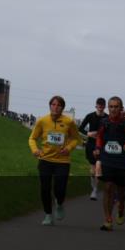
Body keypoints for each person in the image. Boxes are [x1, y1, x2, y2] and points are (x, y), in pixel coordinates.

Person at [28, 96, 80, 226]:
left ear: (62, 108)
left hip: (62, 161)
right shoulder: (42, 121)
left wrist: (68, 148)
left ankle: (60, 203)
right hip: (45, 159)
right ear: (50, 106)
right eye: (53, 104)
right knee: (45, 189)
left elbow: (75, 138)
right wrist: (35, 150)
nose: (55, 107)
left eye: (59, 105)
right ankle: (48, 215)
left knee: (60, 189)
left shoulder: (69, 122)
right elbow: (32, 138)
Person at [94, 97, 125, 231]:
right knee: (107, 187)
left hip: (121, 161)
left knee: (121, 191)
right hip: (107, 159)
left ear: (121, 108)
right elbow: (99, 137)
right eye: (111, 106)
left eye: (116, 106)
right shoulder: (104, 122)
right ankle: (107, 220)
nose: (113, 109)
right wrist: (97, 148)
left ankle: (121, 207)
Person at [78, 98, 107, 200]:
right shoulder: (90, 116)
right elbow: (80, 128)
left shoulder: (107, 118)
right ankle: (93, 186)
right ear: (96, 106)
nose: (100, 107)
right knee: (92, 170)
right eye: (98, 105)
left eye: (102, 106)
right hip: (90, 144)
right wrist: (88, 133)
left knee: (98, 167)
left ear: (104, 106)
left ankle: (95, 190)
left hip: (101, 146)